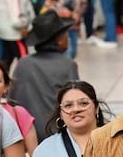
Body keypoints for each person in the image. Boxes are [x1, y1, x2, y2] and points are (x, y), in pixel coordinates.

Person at [7, 12, 79, 140]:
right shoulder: (68, 65)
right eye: (66, 34)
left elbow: (12, 102)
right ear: (59, 39)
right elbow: (76, 104)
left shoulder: (23, 64)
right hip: (58, 136)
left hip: (29, 136)